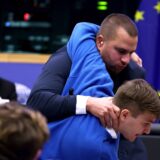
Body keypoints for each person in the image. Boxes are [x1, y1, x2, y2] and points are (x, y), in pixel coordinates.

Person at [27, 13, 146, 159]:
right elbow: (37, 102)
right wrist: (87, 103)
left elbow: (131, 135)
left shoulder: (133, 72)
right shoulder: (67, 59)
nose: (126, 60)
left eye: (131, 52)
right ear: (100, 42)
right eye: (121, 51)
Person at [40, 79, 160, 160]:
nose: (147, 131)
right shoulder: (99, 151)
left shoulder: (94, 95)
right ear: (124, 115)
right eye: (146, 123)